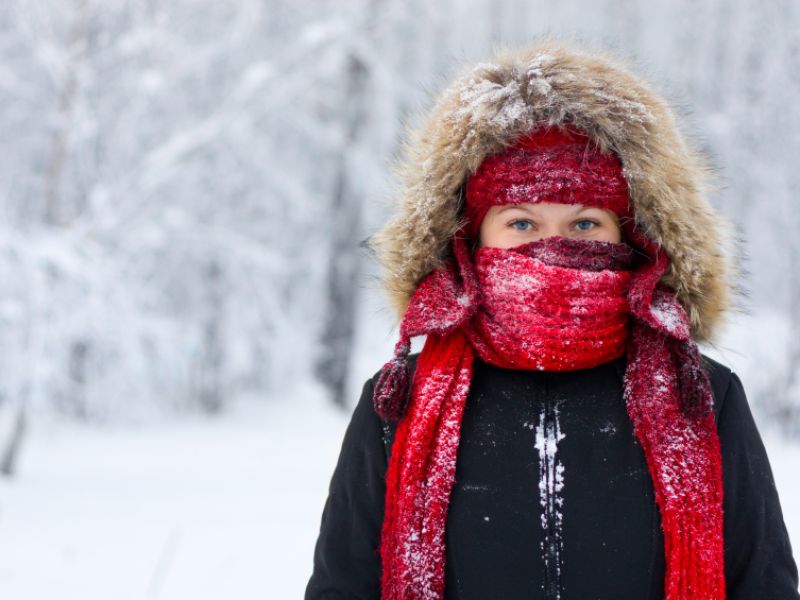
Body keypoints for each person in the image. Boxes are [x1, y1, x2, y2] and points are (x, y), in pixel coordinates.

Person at [305, 40, 800, 600]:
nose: (553, 247)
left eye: (585, 224)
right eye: (521, 223)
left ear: (630, 237)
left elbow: (764, 584)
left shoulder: (703, 396)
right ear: (469, 239)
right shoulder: (400, 403)